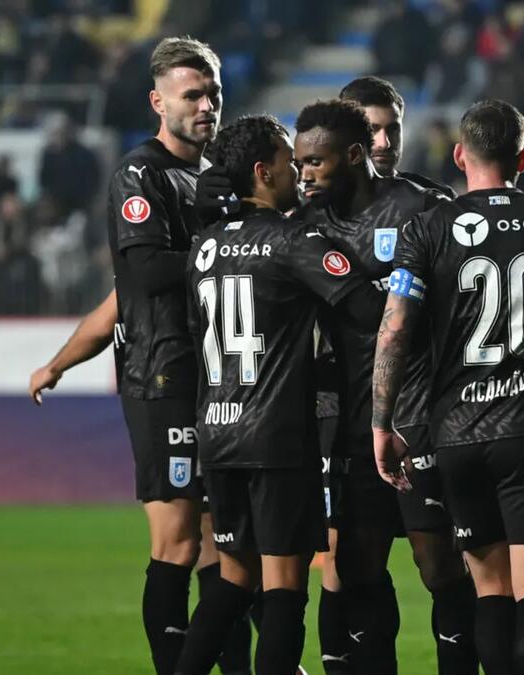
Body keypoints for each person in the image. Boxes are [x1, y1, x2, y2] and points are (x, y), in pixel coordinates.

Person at [27, 37, 250, 675]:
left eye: (213, 94)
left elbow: (116, 299)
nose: (206, 106)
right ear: (159, 102)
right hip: (163, 379)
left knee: (224, 547)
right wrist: (237, 252)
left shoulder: (214, 178)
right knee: (178, 544)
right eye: (192, 95)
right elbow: (147, 275)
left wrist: (59, 361)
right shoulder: (140, 174)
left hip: (219, 380)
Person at [372, 99, 524, 675]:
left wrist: (382, 421)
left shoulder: (427, 226)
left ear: (460, 156)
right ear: (523, 159)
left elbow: (395, 328)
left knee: (491, 593)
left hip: (457, 433)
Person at [173, 115, 377, 675]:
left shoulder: (204, 247)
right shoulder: (292, 240)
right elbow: (366, 309)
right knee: (284, 588)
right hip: (276, 438)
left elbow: (195, 334)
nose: (300, 173)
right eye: (290, 161)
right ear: (263, 172)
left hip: (218, 434)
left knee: (233, 580)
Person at [293, 99, 477, 674]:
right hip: (348, 420)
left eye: (315, 162)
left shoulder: (423, 208)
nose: (305, 175)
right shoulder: (305, 223)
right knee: (357, 567)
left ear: (352, 155)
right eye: (299, 164)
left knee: (438, 565)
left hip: (419, 415)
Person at [338, 76, 455, 198]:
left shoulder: (438, 200)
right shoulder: (325, 203)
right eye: (371, 130)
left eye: (393, 129)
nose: (384, 143)